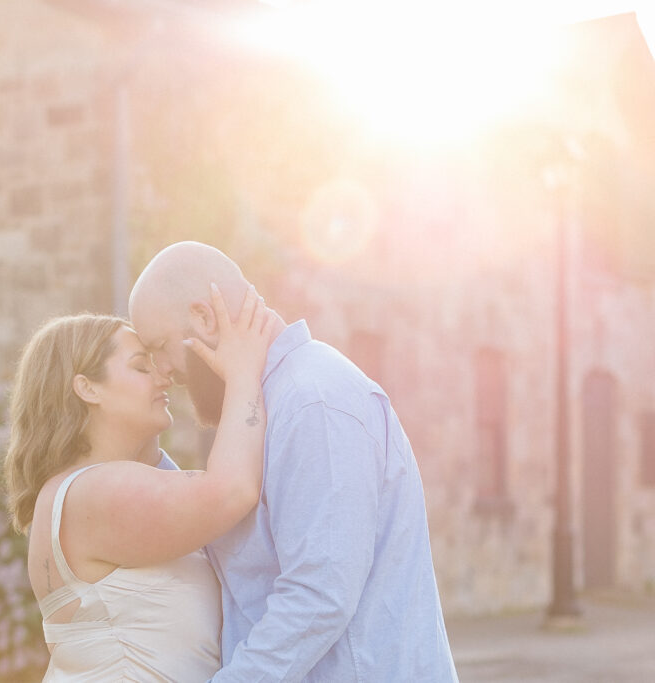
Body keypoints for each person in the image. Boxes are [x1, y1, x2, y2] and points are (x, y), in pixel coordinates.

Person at [129, 241, 459, 682]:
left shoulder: (313, 402)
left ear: (204, 318)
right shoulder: (257, 407)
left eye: (159, 346)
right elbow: (225, 542)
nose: (163, 370)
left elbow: (319, 594)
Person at [4, 283, 273, 681]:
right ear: (87, 387)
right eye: (141, 367)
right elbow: (231, 490)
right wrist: (243, 373)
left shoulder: (82, 490)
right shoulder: (92, 494)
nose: (163, 376)